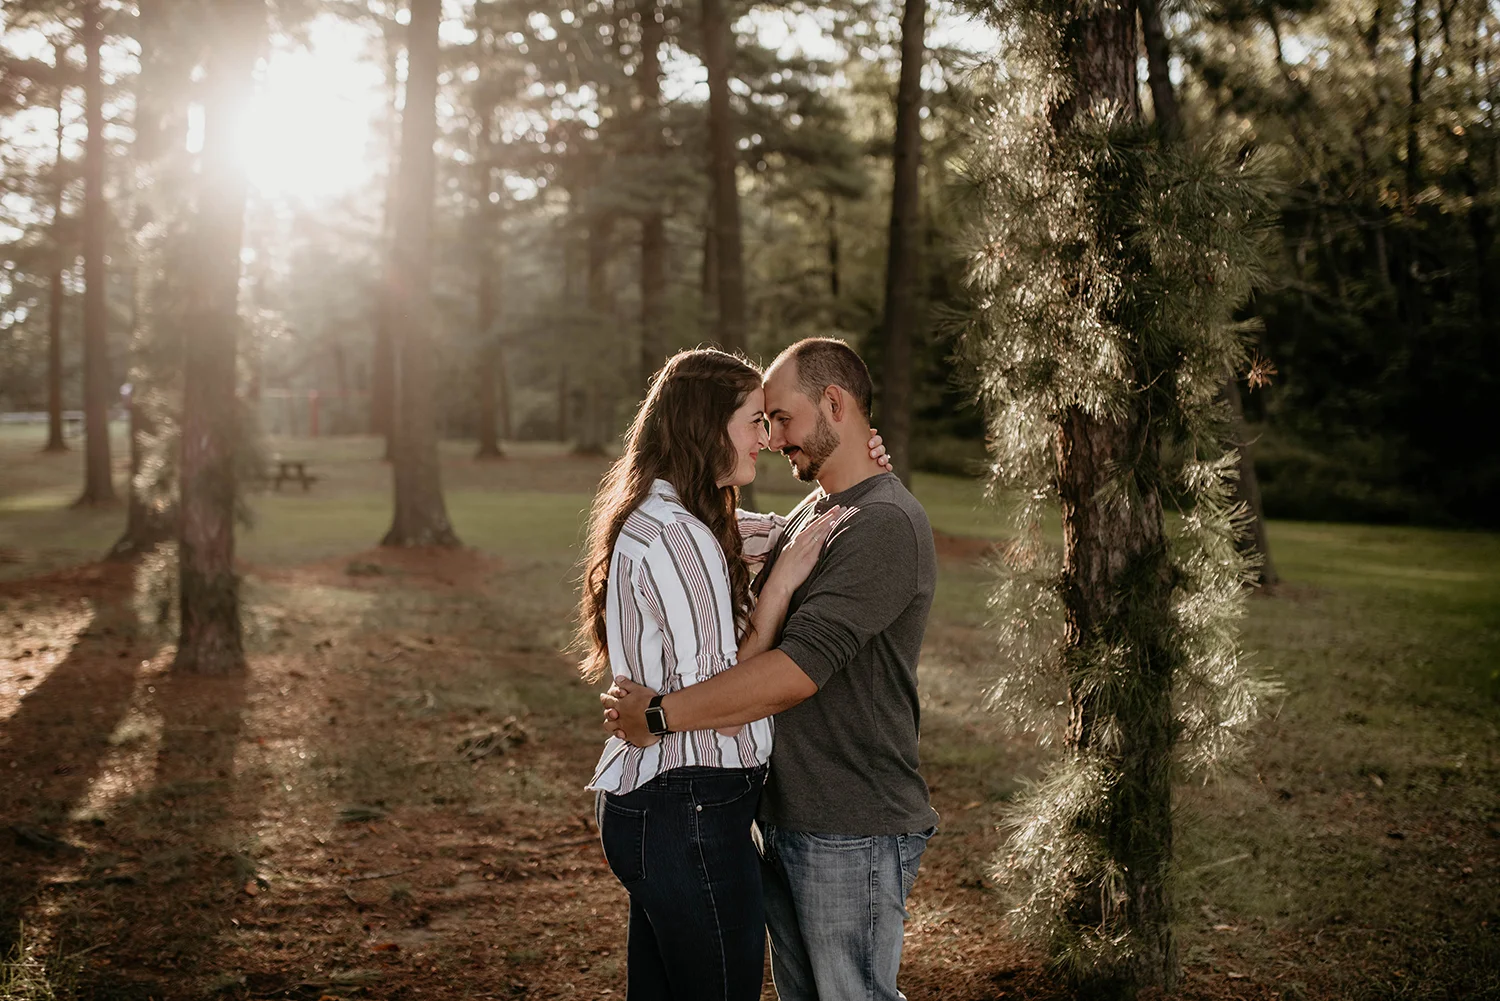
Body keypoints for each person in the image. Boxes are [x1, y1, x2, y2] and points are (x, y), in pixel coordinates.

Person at [604, 337, 940, 1001]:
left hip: (850, 825)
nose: (771, 435)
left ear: (834, 404)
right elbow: (712, 537)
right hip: (786, 817)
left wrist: (658, 714)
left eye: (780, 417)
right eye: (760, 420)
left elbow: (794, 672)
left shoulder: (881, 524)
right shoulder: (816, 511)